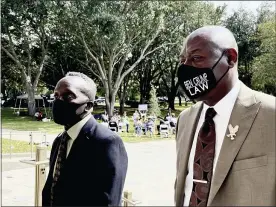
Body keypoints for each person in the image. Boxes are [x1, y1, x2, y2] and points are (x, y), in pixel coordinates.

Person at [175, 26, 275, 206]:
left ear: (230, 58)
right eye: (183, 60)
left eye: (196, 58)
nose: (186, 68)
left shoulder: (271, 115)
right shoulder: (185, 119)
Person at [42, 72, 128, 206]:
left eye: (68, 96)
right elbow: (52, 187)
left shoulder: (106, 142)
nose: (58, 101)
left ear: (88, 106)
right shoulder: (60, 140)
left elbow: (109, 201)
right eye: (56, 96)